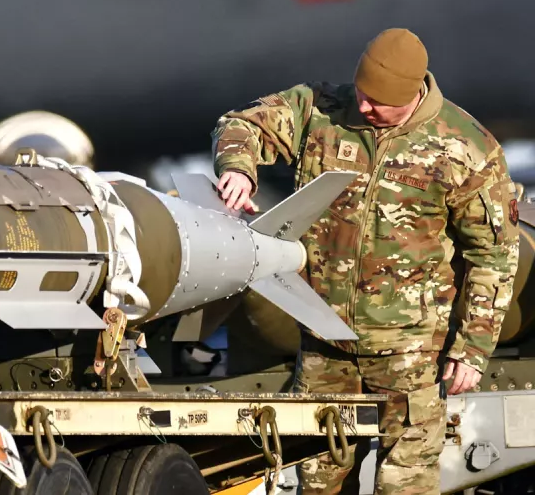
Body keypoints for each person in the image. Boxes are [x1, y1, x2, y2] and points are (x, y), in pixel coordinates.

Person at [211, 28, 520, 494]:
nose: (365, 107)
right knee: (317, 482)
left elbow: (493, 254)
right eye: (361, 93)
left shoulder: (465, 147)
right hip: (325, 346)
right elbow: (242, 124)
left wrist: (472, 349)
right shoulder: (321, 110)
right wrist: (238, 168)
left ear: (414, 95)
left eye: (379, 102)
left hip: (411, 354)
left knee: (404, 485)